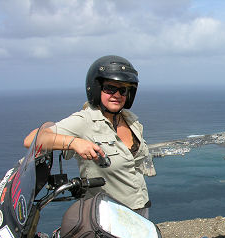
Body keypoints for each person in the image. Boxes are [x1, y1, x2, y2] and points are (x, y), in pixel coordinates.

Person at [24, 55, 154, 217]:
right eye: (110, 88)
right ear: (96, 89)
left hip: (139, 208)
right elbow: (32, 139)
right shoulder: (85, 120)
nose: (117, 94)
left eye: (123, 90)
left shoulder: (131, 122)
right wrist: (74, 142)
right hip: (107, 214)